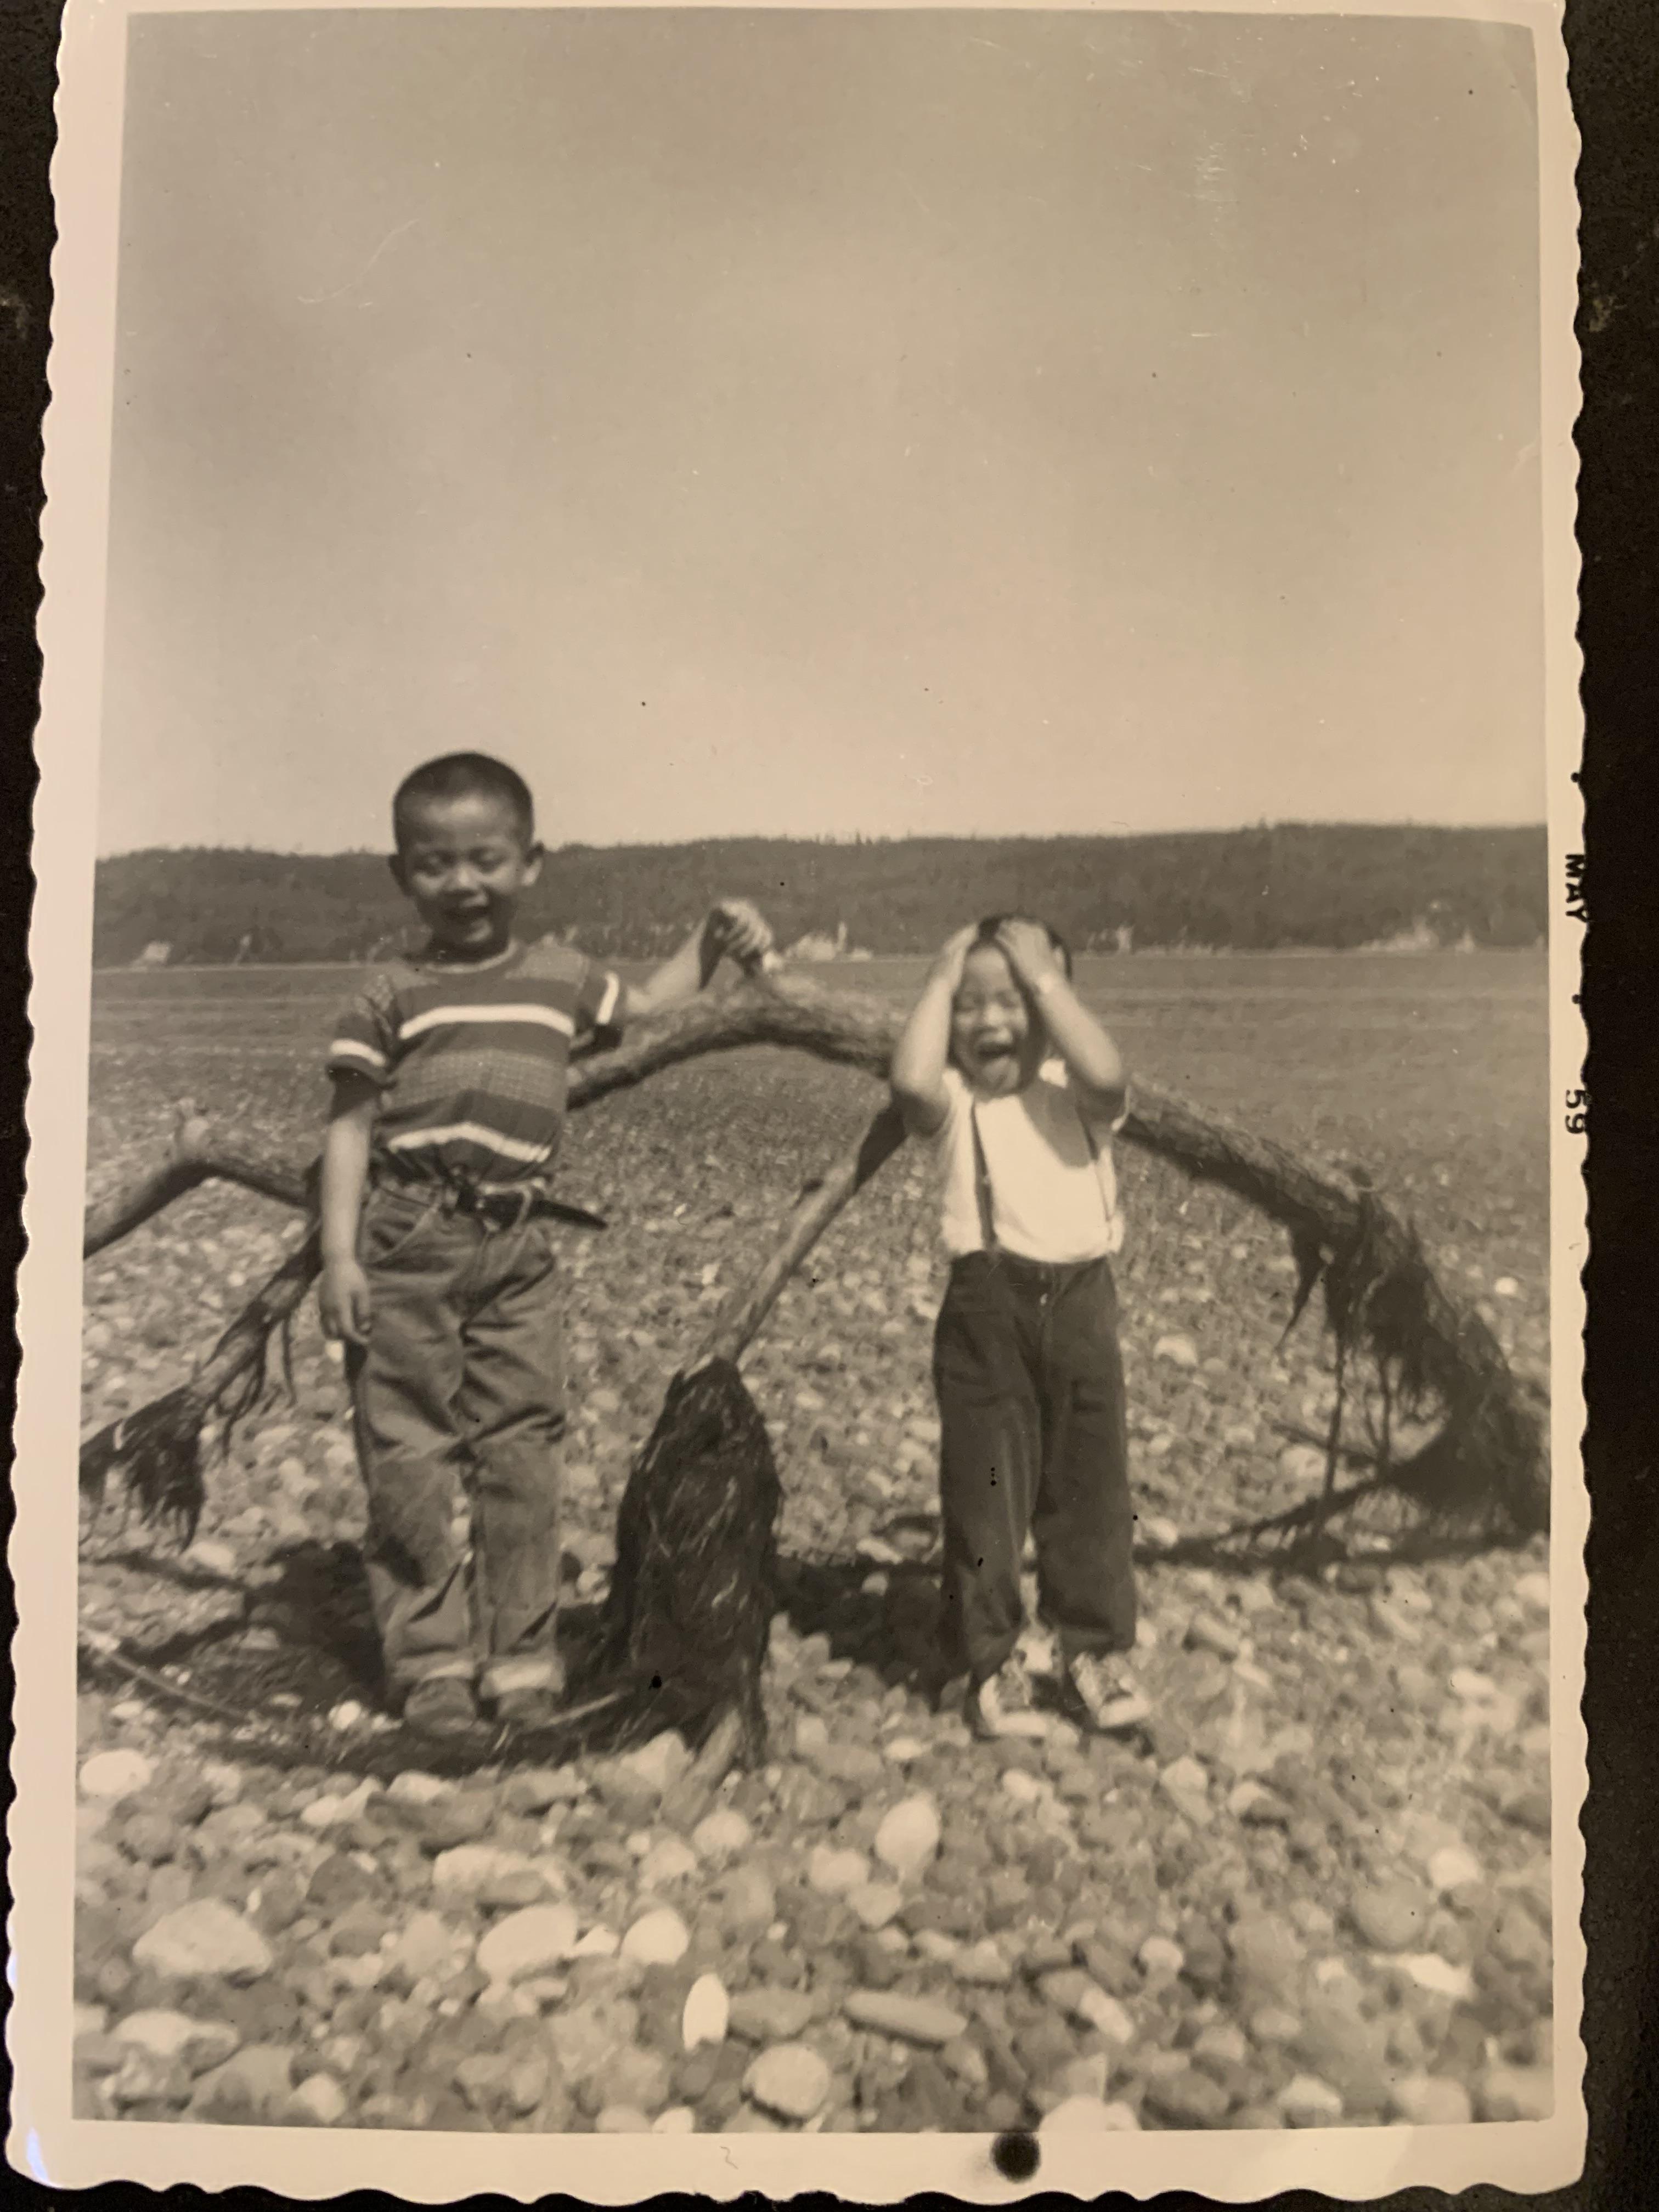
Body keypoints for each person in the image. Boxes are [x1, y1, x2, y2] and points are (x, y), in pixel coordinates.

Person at [318, 751, 771, 1736]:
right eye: (435, 864)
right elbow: (348, 1127)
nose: (463, 883)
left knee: (523, 1447)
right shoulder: (387, 993)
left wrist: (713, 940)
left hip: (518, 1245)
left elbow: (649, 1007)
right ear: (402, 875)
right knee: (407, 1451)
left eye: (486, 859)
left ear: (530, 864)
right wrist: (340, 1256)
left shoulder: (560, 977)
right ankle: (430, 1662)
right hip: (406, 1239)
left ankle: (520, 1656)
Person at [889, 914, 1150, 1740]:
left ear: (1053, 1007)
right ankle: (992, 1660)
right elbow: (909, 1080)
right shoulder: (953, 1102)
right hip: (986, 1310)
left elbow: (1108, 1070)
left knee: (1090, 1491)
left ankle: (1094, 1648)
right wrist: (939, 978)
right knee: (987, 1495)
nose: (991, 1020)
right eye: (970, 1005)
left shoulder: (1080, 1095)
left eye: (1015, 1001)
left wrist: (1048, 980)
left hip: (1082, 1305)